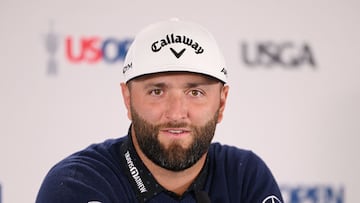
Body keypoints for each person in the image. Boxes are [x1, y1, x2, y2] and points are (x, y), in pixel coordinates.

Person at [36, 18, 283, 203]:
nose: (176, 113)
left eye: (195, 93)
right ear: (128, 99)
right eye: (157, 92)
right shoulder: (77, 184)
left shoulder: (245, 177)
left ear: (222, 102)